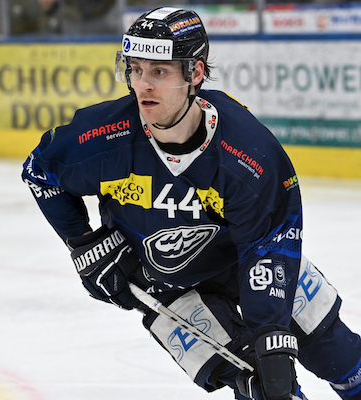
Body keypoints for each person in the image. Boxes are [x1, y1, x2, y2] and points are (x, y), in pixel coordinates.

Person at [22, 7, 361, 400]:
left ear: (195, 73)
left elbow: (269, 244)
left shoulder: (247, 153)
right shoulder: (103, 137)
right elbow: (39, 171)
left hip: (243, 260)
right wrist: (85, 243)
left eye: (159, 71)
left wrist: (272, 337)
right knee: (258, 388)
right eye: (135, 69)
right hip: (166, 285)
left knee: (336, 355)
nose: (142, 85)